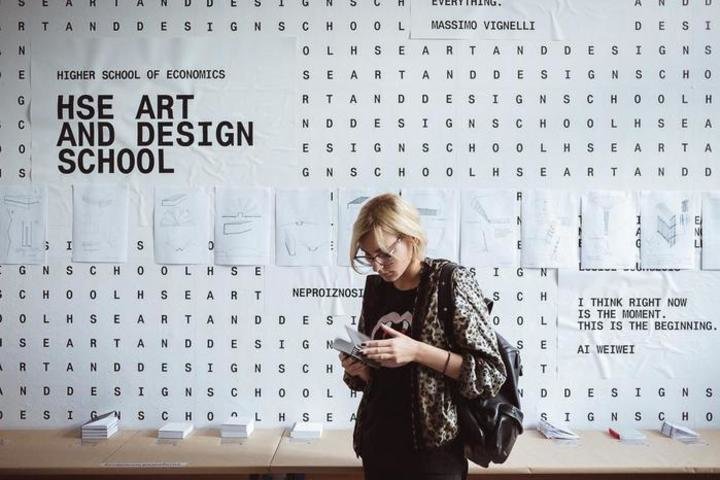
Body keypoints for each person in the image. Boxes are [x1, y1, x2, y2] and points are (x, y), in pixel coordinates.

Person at [339, 192, 507, 480]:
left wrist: (417, 351)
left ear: (411, 239)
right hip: (377, 444)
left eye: (384, 254)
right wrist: (360, 369)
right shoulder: (377, 289)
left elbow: (489, 374)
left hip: (433, 455)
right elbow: (378, 378)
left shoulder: (450, 282)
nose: (377, 265)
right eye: (368, 256)